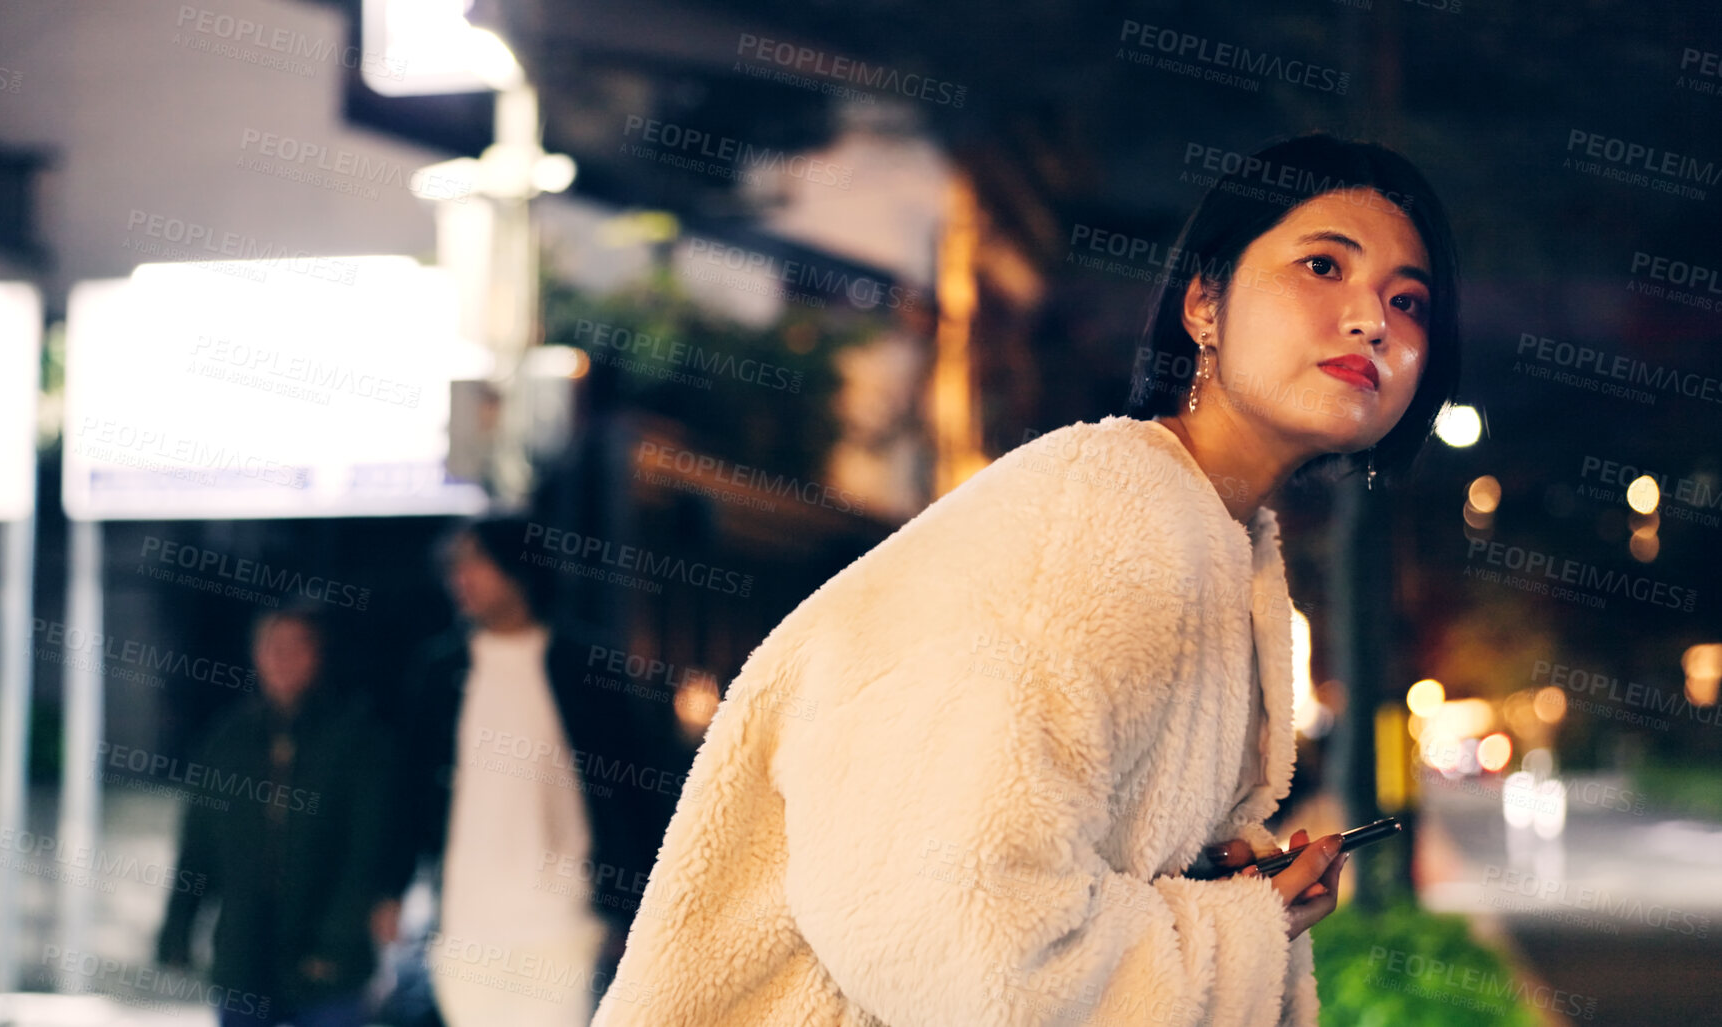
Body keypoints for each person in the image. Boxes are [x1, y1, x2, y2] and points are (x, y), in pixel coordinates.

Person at [590, 132, 1462, 1026]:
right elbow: (957, 937)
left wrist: (1213, 886)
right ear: (1203, 302)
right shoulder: (1099, 515)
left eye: (1409, 301)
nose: (1372, 320)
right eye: (1323, 266)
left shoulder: (1214, 541)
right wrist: (1241, 922)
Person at [372, 516, 682, 1027]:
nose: (462, 579)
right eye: (455, 566)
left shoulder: (587, 666)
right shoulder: (439, 672)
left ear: (519, 568)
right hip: (468, 923)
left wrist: (634, 909)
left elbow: (633, 793)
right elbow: (407, 792)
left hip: (563, 921)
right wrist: (390, 889)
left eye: (477, 562)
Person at [158, 605, 393, 1027]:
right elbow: (199, 845)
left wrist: (338, 941)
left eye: (296, 647)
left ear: (320, 654)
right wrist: (178, 927)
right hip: (245, 952)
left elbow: (369, 850)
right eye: (272, 646)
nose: (282, 659)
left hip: (328, 959)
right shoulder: (230, 738)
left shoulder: (357, 740)